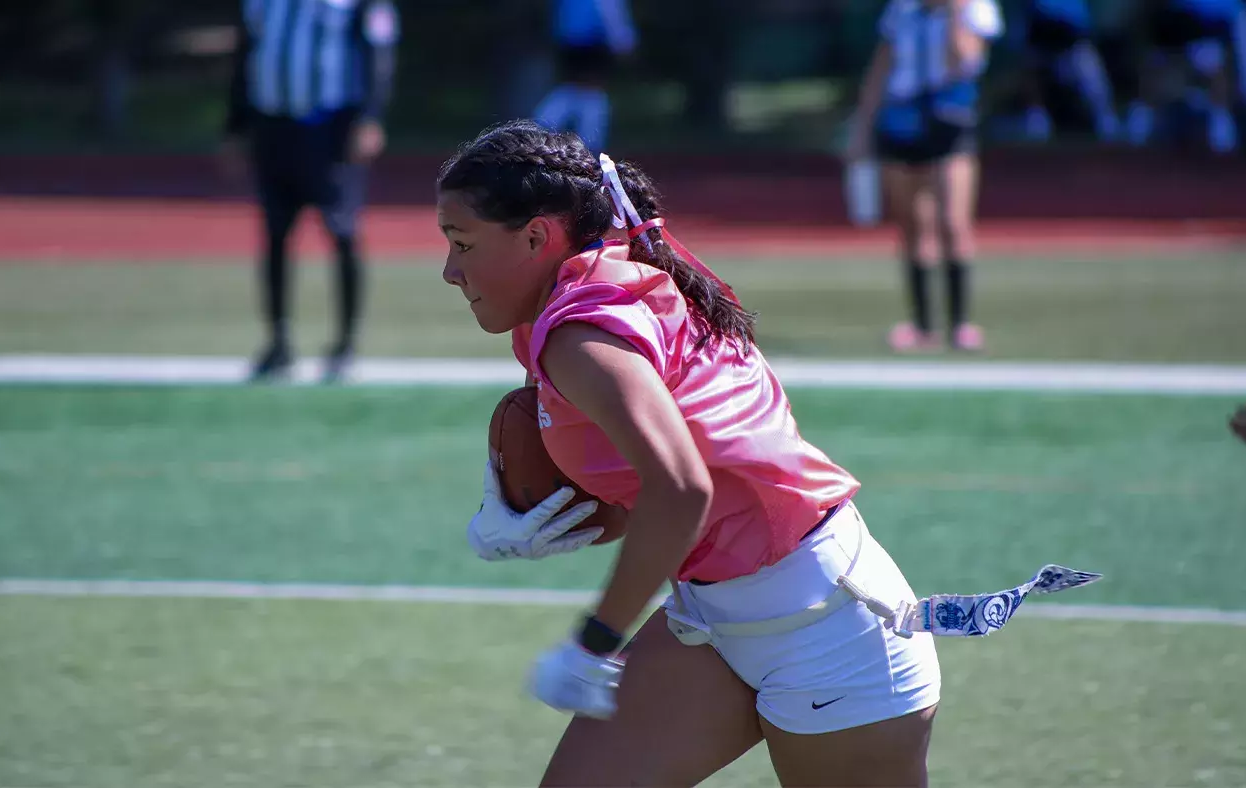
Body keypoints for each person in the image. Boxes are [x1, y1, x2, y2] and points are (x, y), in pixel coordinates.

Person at [437, 120, 1098, 787]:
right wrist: (543, 525)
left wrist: (596, 642)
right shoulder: (589, 295)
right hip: (718, 617)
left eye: (462, 244)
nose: (448, 270)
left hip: (829, 631)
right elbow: (684, 486)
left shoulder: (581, 336)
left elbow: (683, 490)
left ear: (535, 236)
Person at [223, 0, 399, 382]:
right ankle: (278, 341)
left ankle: (345, 343)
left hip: (329, 128)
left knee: (342, 231)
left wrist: (370, 117)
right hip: (272, 126)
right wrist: (236, 124)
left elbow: (378, 53)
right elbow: (245, 53)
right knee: (274, 233)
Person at [847, 0, 1004, 354]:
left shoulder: (974, 8)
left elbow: (964, 60)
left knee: (954, 221)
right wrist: (864, 125)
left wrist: (953, 14)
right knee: (914, 224)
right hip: (903, 118)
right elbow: (882, 66)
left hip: (950, 118)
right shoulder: (902, 9)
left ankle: (961, 323)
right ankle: (922, 326)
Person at [1125, 0, 1246, 153]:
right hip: (1169, 42)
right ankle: (1135, 137)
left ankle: (1223, 138)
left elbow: (1231, 27)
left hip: (1205, 41)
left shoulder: (1227, 8)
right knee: (1152, 75)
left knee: (1216, 70)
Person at [532, 0, 638, 154]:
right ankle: (589, 150)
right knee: (591, 93)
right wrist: (624, 42)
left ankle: (536, 130)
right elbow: (610, 12)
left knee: (574, 90)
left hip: (568, 41)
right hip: (591, 41)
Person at [1018, 0, 1121, 141]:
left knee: (1090, 69)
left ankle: (1108, 127)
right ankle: (1037, 122)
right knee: (1029, 65)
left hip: (1073, 49)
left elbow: (1082, 26)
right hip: (1044, 49)